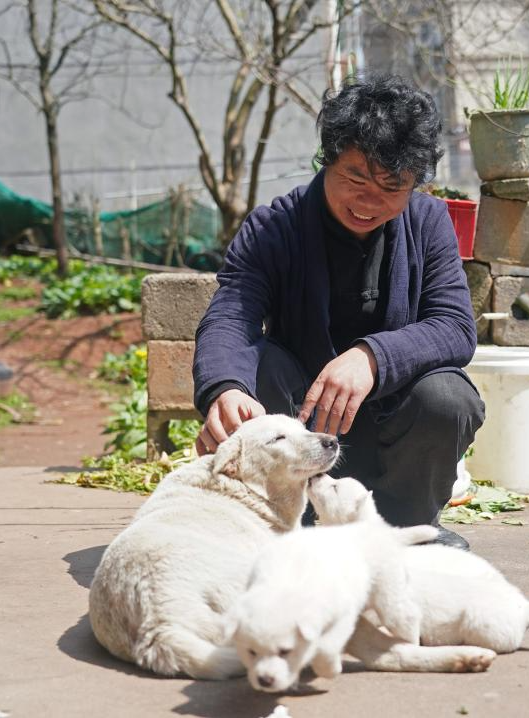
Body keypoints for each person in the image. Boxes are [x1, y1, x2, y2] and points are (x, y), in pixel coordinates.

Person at [191, 75, 483, 550]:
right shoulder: (273, 227)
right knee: (256, 366)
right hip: (302, 428)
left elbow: (454, 326)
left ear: (415, 185)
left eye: (393, 187)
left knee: (449, 397)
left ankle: (400, 531)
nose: (369, 202)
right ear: (327, 162)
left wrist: (370, 357)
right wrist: (225, 387)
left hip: (395, 437)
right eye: (355, 178)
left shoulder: (429, 223)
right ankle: (284, 528)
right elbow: (231, 317)